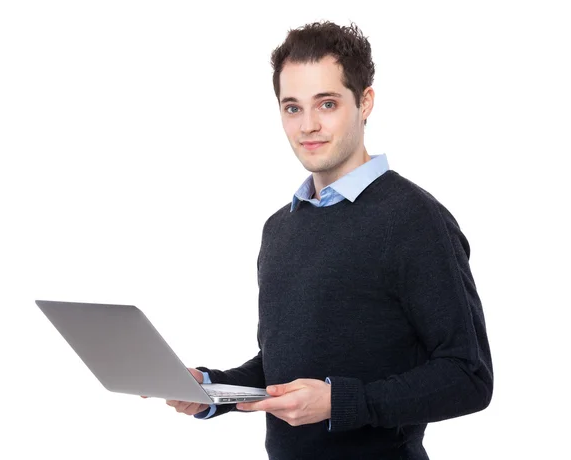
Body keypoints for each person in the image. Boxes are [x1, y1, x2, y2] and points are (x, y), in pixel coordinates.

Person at [147, 20, 493, 459]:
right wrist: (212, 390)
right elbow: (283, 369)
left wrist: (338, 402)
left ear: (364, 102)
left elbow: (469, 376)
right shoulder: (280, 228)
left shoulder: (414, 219)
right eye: (292, 108)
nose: (308, 125)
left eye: (326, 103)